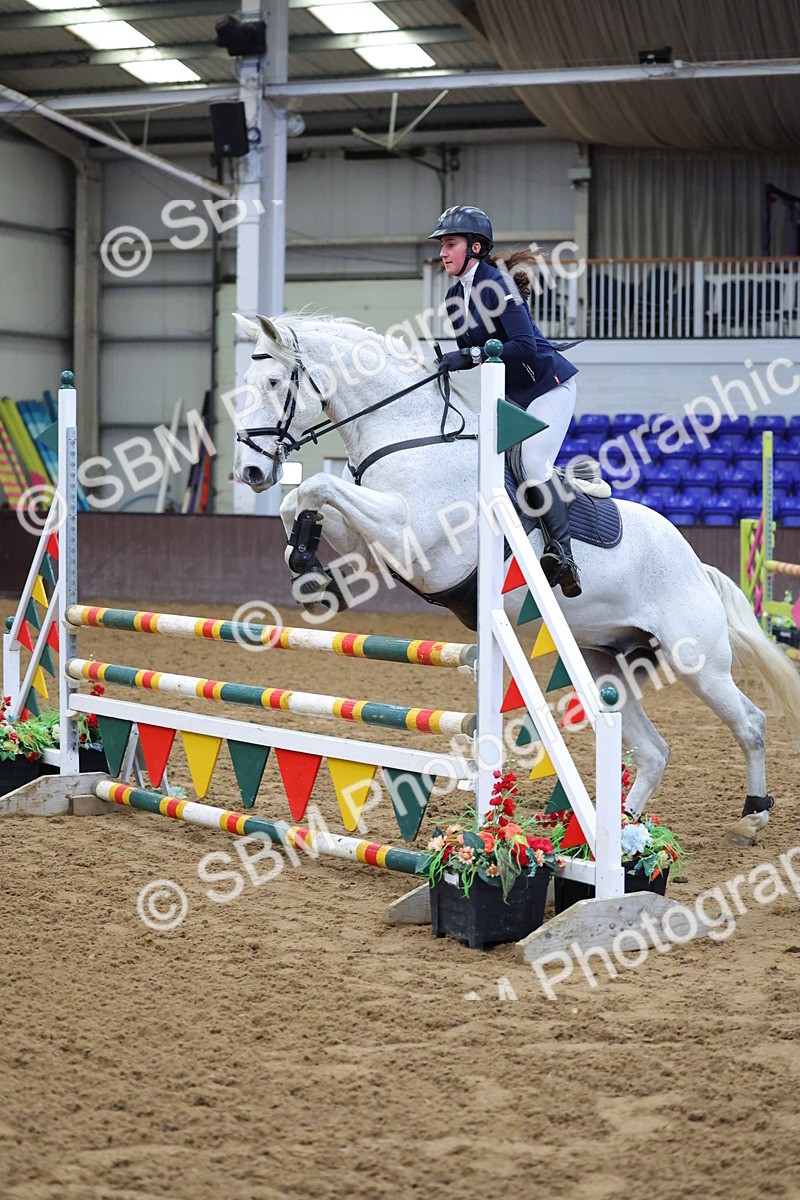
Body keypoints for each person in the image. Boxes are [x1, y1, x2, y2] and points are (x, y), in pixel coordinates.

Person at [429, 204, 581, 597]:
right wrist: (449, 362)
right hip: (512, 396)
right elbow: (473, 352)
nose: (443, 253)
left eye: (450, 244)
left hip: (549, 387)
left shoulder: (498, 285)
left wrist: (470, 356)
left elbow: (524, 348)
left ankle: (562, 554)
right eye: (442, 245)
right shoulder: (453, 297)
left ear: (475, 248)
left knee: (532, 460)